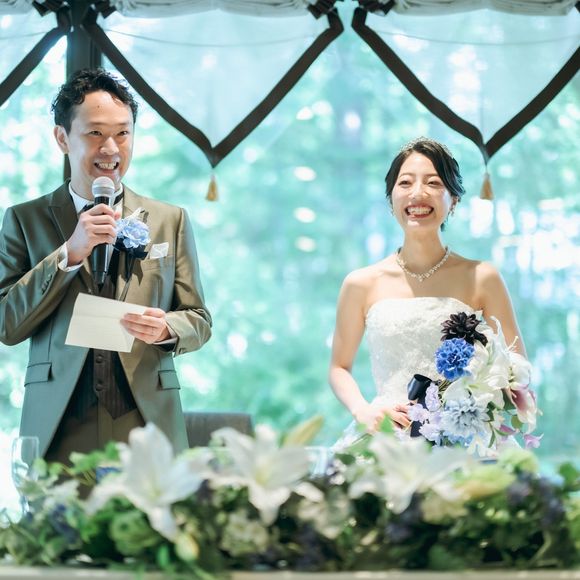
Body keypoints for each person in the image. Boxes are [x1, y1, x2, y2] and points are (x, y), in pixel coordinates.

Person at [0, 68, 212, 463]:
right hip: (59, 424)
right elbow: (6, 324)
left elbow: (199, 319)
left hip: (145, 421)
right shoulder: (24, 220)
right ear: (62, 138)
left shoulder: (170, 220)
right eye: (95, 133)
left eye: (123, 133)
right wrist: (68, 254)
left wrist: (167, 327)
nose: (111, 148)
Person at [329, 137, 526, 444]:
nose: (418, 193)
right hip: (389, 433)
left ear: (454, 199)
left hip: (464, 437)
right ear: (391, 199)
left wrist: (479, 400)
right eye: (405, 183)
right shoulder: (360, 283)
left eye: (433, 183)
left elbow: (517, 367)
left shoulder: (482, 277)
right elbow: (339, 367)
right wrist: (362, 409)